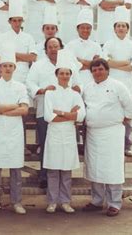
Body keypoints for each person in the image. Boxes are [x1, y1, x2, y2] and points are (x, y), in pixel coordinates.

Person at [82, 58, 132, 217]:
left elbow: (130, 107)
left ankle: (114, 203)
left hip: (112, 132)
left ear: (107, 70)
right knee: (95, 167)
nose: (97, 72)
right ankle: (97, 201)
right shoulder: (87, 88)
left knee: (112, 168)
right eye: (94, 70)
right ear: (91, 72)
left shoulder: (117, 86)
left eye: (100, 69)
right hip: (93, 133)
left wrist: (124, 118)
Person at [26, 37, 81, 188]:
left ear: (61, 47)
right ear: (46, 50)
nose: (53, 49)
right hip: (45, 111)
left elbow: (78, 83)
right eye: (50, 47)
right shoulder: (38, 65)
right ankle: (44, 176)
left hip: (68, 112)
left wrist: (77, 89)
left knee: (66, 145)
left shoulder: (70, 65)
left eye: (56, 46)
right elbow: (30, 83)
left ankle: (64, 179)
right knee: (46, 144)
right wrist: (42, 90)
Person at [0, 42, 29, 215]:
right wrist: (13, 107)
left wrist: (2, 109)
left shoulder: (21, 87)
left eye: (11, 66)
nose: (8, 69)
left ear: (14, 68)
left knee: (16, 168)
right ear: (0, 68)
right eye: (5, 66)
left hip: (15, 131)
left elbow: (24, 109)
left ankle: (16, 201)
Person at [43, 50, 85, 214]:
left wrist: (61, 113)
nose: (65, 76)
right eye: (62, 73)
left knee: (66, 171)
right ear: (57, 74)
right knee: (53, 171)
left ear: (71, 75)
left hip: (68, 134)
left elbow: (81, 115)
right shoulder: (50, 93)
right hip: (54, 133)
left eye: (67, 73)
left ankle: (66, 201)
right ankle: (52, 201)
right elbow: (48, 116)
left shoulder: (75, 94)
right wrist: (70, 115)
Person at [102, 7, 132, 157]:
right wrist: (125, 62)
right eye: (118, 25)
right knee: (110, 114)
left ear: (127, 28)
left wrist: (114, 63)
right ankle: (109, 146)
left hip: (127, 85)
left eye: (123, 25)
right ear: (114, 28)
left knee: (126, 117)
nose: (121, 28)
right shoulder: (109, 43)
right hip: (110, 84)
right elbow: (105, 62)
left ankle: (126, 146)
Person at [0, 0, 37, 84]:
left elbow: (33, 57)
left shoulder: (29, 37)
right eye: (14, 21)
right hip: (6, 75)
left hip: (24, 75)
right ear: (9, 22)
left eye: (19, 20)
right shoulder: (2, 37)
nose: (17, 23)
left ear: (22, 21)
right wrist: (24, 57)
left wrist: (10, 54)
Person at [65, 9, 102, 87]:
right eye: (82, 27)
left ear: (91, 29)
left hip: (93, 81)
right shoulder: (70, 45)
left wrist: (81, 61)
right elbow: (70, 65)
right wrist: (91, 63)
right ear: (77, 29)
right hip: (75, 81)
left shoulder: (96, 46)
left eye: (88, 28)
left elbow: (99, 66)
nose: (85, 30)